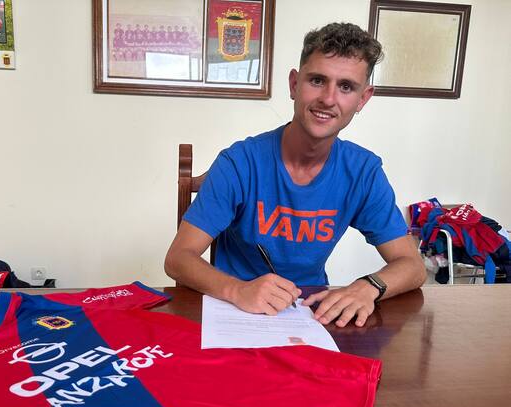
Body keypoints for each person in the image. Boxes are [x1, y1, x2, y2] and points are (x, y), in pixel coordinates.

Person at [164, 22, 425, 327]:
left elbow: (413, 266)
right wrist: (237, 290)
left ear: (362, 99)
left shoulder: (363, 172)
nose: (328, 98)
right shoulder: (239, 162)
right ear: (294, 84)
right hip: (236, 311)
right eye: (317, 80)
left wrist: (368, 287)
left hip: (310, 314)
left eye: (346, 87)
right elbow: (178, 258)